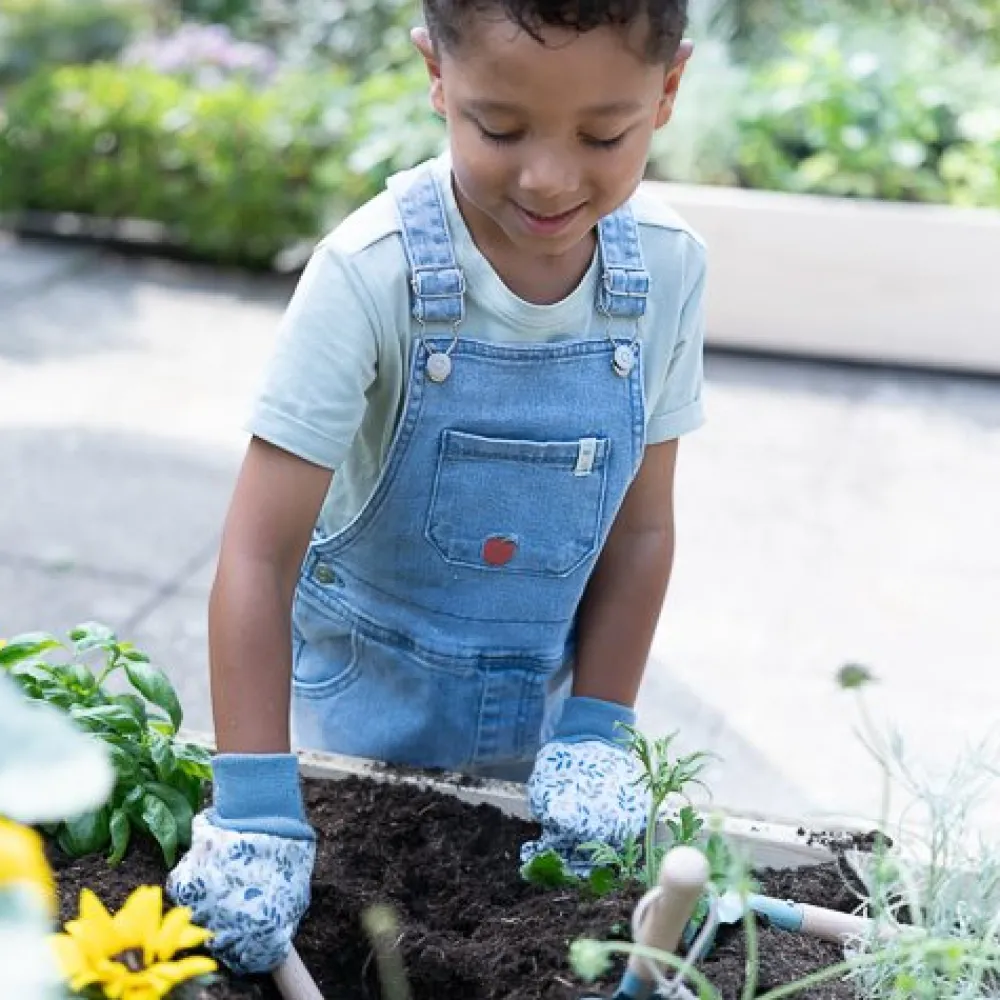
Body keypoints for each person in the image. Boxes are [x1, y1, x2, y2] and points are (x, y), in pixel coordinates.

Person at [167, 0, 706, 975]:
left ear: (667, 90)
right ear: (435, 75)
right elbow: (256, 552)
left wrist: (597, 729)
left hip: (535, 751)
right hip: (340, 746)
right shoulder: (370, 275)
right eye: (498, 128)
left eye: (603, 133)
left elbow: (640, 533)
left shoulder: (665, 271)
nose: (547, 176)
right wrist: (254, 800)